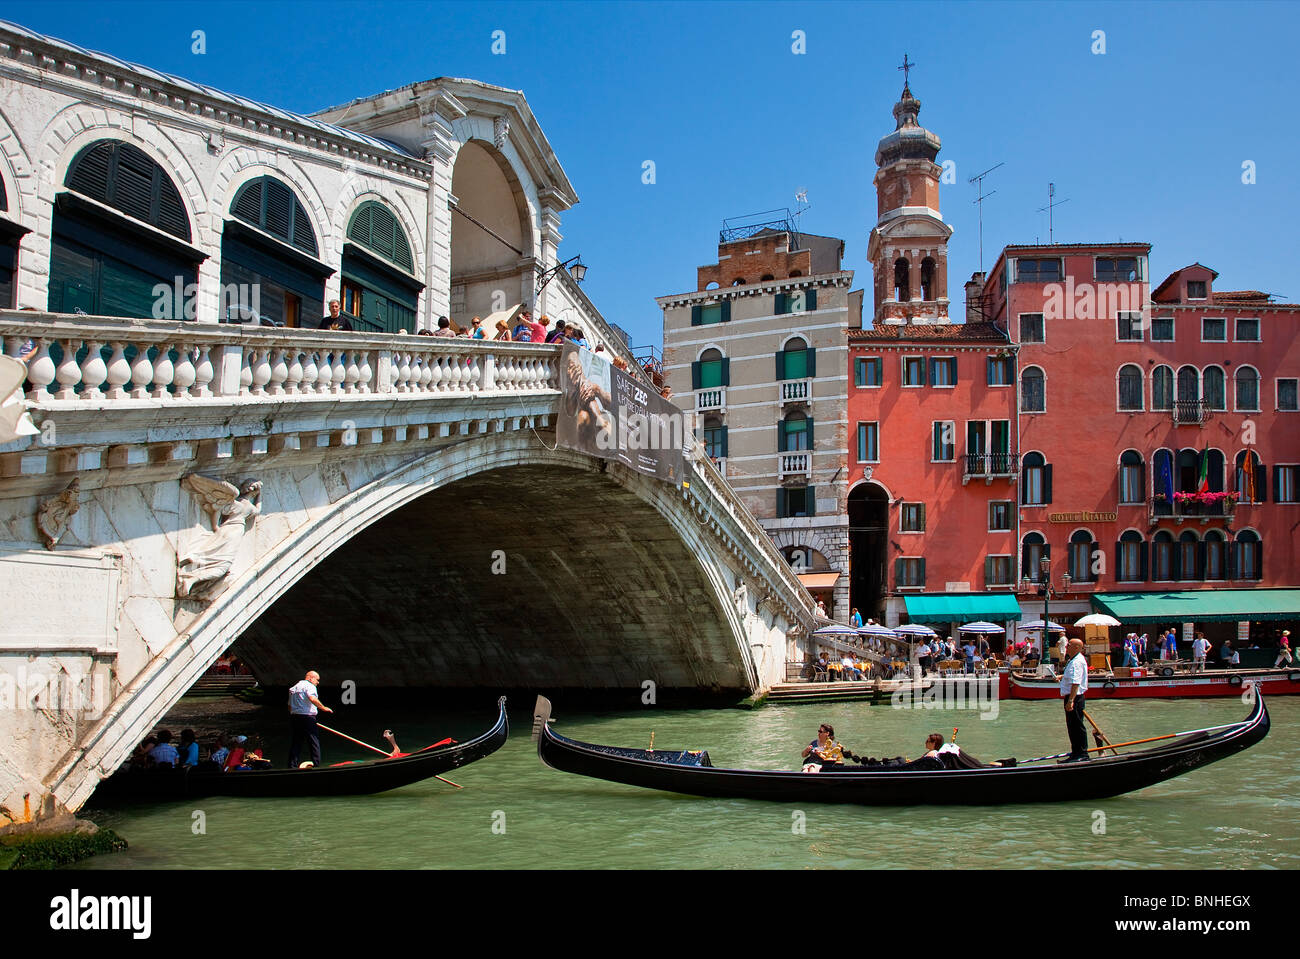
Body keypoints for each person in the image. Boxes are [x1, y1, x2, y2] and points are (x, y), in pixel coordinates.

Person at [287, 670, 333, 769]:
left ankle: (292, 766)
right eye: (317, 679)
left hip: (295, 718)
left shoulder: (293, 688)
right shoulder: (310, 686)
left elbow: (290, 706)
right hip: (307, 717)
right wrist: (323, 708)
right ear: (310, 678)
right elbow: (312, 698)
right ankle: (316, 765)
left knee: (296, 742)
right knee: (313, 741)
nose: (318, 682)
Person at [1059, 638, 1090, 762]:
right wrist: (1062, 676)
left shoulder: (1077, 661)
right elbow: (1072, 676)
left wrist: (1070, 700)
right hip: (1072, 696)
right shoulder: (1073, 660)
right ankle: (1075, 752)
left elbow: (1076, 682)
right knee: (1072, 726)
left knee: (1077, 726)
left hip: (1075, 697)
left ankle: (1082, 754)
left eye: (1069, 645)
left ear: (1077, 647)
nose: (1066, 646)